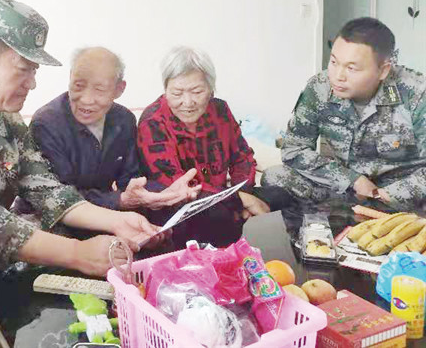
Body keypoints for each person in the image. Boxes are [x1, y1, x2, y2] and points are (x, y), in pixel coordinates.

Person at [0, 0, 161, 290]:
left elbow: (46, 189)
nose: (33, 83)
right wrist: (78, 254)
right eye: (23, 69)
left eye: (34, 70)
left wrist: (117, 221)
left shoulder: (10, 122)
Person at [261, 17, 426, 211]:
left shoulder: (416, 94)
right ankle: (333, 220)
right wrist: (352, 179)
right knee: (276, 177)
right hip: (346, 188)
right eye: (334, 62)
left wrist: (384, 195)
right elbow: (294, 148)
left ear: (383, 70)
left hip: (400, 196)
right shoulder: (320, 87)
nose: (338, 76)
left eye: (351, 68)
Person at [30, 46, 201, 214]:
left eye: (99, 90)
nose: (87, 100)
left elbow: (131, 181)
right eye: (79, 85)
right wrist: (119, 200)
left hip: (104, 212)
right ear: (70, 78)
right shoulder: (46, 124)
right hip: (51, 216)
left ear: (119, 89)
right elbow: (59, 197)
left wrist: (165, 193)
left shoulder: (124, 120)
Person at [137, 46, 270, 248]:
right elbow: (175, 184)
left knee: (279, 197)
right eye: (177, 93)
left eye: (197, 92)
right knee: (216, 216)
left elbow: (242, 158)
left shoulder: (220, 110)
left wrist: (245, 193)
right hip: (183, 206)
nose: (187, 102)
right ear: (166, 90)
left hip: (227, 197)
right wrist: (238, 200)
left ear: (211, 89)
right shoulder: (153, 122)